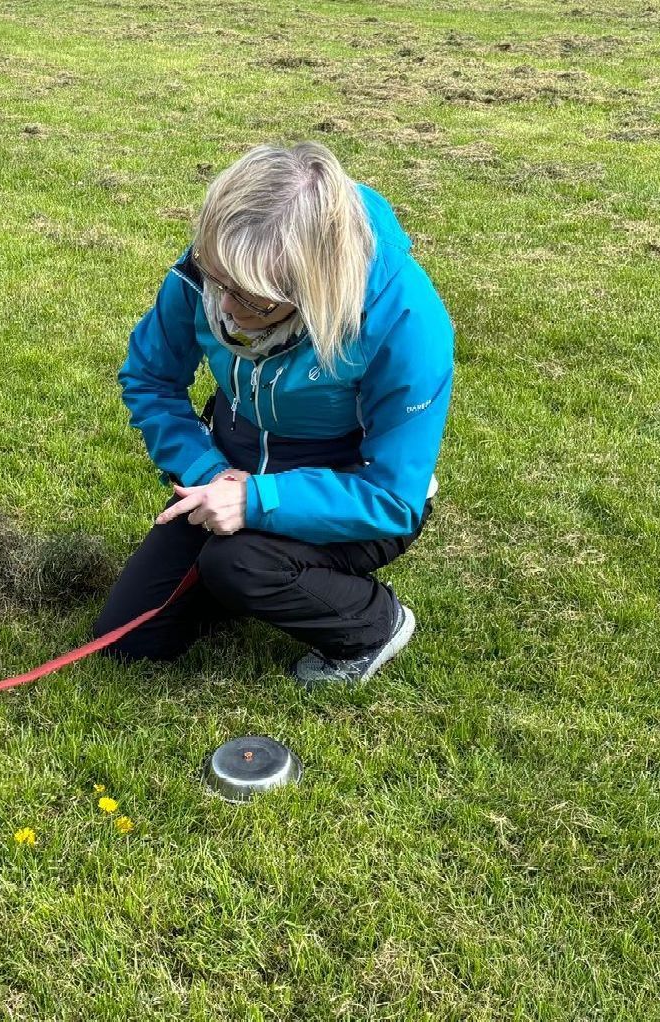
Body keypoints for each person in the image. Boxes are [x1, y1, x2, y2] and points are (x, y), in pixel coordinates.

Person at [92, 141, 454, 686]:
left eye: (253, 301)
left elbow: (392, 498)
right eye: (219, 283)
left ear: (314, 288)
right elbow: (150, 378)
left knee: (237, 565)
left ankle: (374, 624)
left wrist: (258, 501)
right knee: (129, 642)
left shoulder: (405, 320)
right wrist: (210, 474)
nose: (227, 307)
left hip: (354, 490)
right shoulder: (220, 264)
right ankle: (256, 564)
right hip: (230, 470)